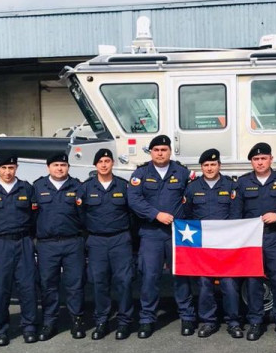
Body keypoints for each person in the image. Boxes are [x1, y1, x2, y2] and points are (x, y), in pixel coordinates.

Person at [127, 135, 196, 339]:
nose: (160, 153)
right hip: (151, 234)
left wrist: (184, 218)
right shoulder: (141, 173)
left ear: (170, 151)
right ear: (151, 152)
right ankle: (147, 319)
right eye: (156, 150)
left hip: (178, 234)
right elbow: (134, 199)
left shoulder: (182, 172)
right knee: (150, 277)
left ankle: (187, 317)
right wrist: (156, 214)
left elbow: (193, 196)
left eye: (164, 150)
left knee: (181, 276)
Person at [232, 142, 276, 341]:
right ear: (251, 162)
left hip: (274, 236)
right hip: (251, 240)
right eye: (255, 159)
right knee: (254, 281)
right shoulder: (243, 183)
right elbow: (236, 212)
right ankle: (255, 322)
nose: (260, 162)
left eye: (263, 158)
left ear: (271, 159)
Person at [178, 148, 243, 338]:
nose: (209, 168)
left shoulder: (231, 187)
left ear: (219, 165)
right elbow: (187, 215)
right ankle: (208, 321)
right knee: (205, 284)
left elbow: (236, 215)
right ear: (201, 167)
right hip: (203, 247)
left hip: (225, 246)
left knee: (229, 284)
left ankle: (234, 322)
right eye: (206, 165)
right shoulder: (192, 188)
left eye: (213, 164)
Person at [0, 153, 38, 346]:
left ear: (16, 168)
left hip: (23, 241)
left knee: (27, 286)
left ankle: (29, 327)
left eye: (11, 168)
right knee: (0, 288)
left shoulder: (26, 188)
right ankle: (0, 330)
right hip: (0, 243)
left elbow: (34, 217)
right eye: (3, 168)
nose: (7, 172)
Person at [77, 148, 135, 340]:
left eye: (107, 161)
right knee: (99, 282)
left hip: (120, 239)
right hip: (97, 241)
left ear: (112, 164)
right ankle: (102, 321)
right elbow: (80, 216)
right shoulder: (85, 188)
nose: (104, 164)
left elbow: (132, 214)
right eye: (100, 161)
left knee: (124, 282)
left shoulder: (123, 186)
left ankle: (124, 322)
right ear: (95, 165)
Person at [32, 152, 86, 341]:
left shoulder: (78, 186)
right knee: (48, 285)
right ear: (48, 167)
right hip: (47, 244)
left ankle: (77, 320)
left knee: (75, 284)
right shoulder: (38, 187)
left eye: (63, 165)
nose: (59, 168)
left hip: (73, 242)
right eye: (55, 165)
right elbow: (31, 217)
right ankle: (49, 322)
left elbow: (85, 216)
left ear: (68, 167)